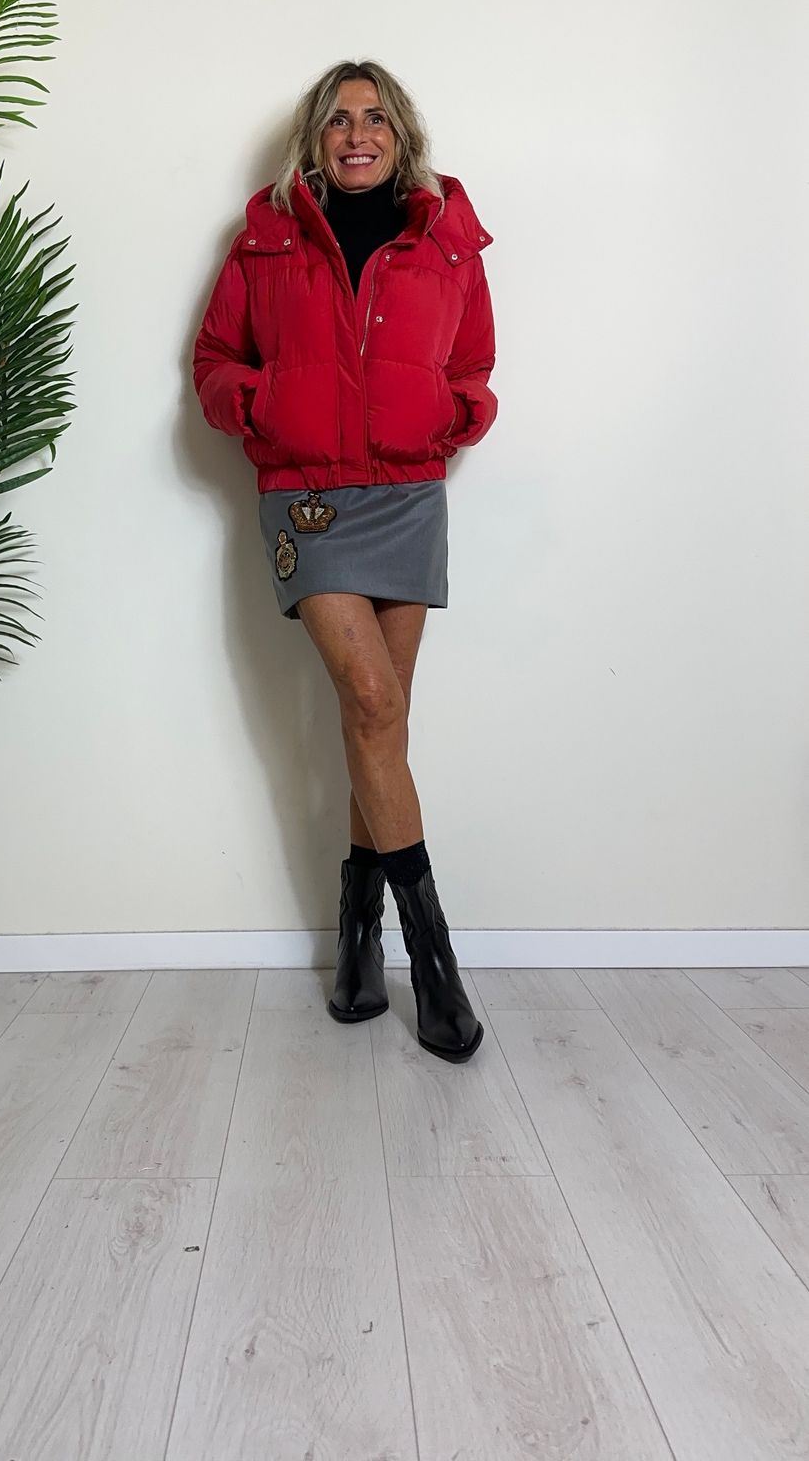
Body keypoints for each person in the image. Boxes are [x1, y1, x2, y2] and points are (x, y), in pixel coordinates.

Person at [192, 59, 498, 1062]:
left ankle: (357, 932)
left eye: (373, 118)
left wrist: (453, 413)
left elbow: (473, 363)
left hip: (408, 497)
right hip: (310, 499)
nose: (355, 134)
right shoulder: (267, 238)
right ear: (314, 139)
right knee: (370, 702)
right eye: (336, 119)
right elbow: (214, 360)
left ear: (400, 136)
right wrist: (262, 408)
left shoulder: (445, 242)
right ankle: (434, 959)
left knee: (381, 723)